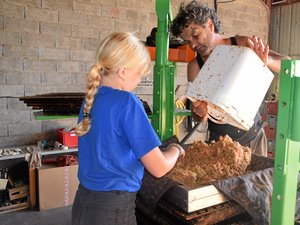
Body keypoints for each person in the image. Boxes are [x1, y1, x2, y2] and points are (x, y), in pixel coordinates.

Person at [71, 32, 185, 225]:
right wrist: (176, 150)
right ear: (123, 71)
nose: (139, 81)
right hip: (112, 209)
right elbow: (159, 168)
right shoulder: (127, 102)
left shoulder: (90, 100)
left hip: (83, 203)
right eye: (139, 74)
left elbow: (111, 148)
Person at [170, 0, 289, 156]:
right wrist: (198, 112)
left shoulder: (240, 44)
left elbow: (288, 63)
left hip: (253, 139)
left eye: (195, 35)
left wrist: (267, 61)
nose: (193, 45)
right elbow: (198, 116)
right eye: (188, 41)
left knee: (257, 179)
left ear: (210, 25)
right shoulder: (195, 66)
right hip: (220, 145)